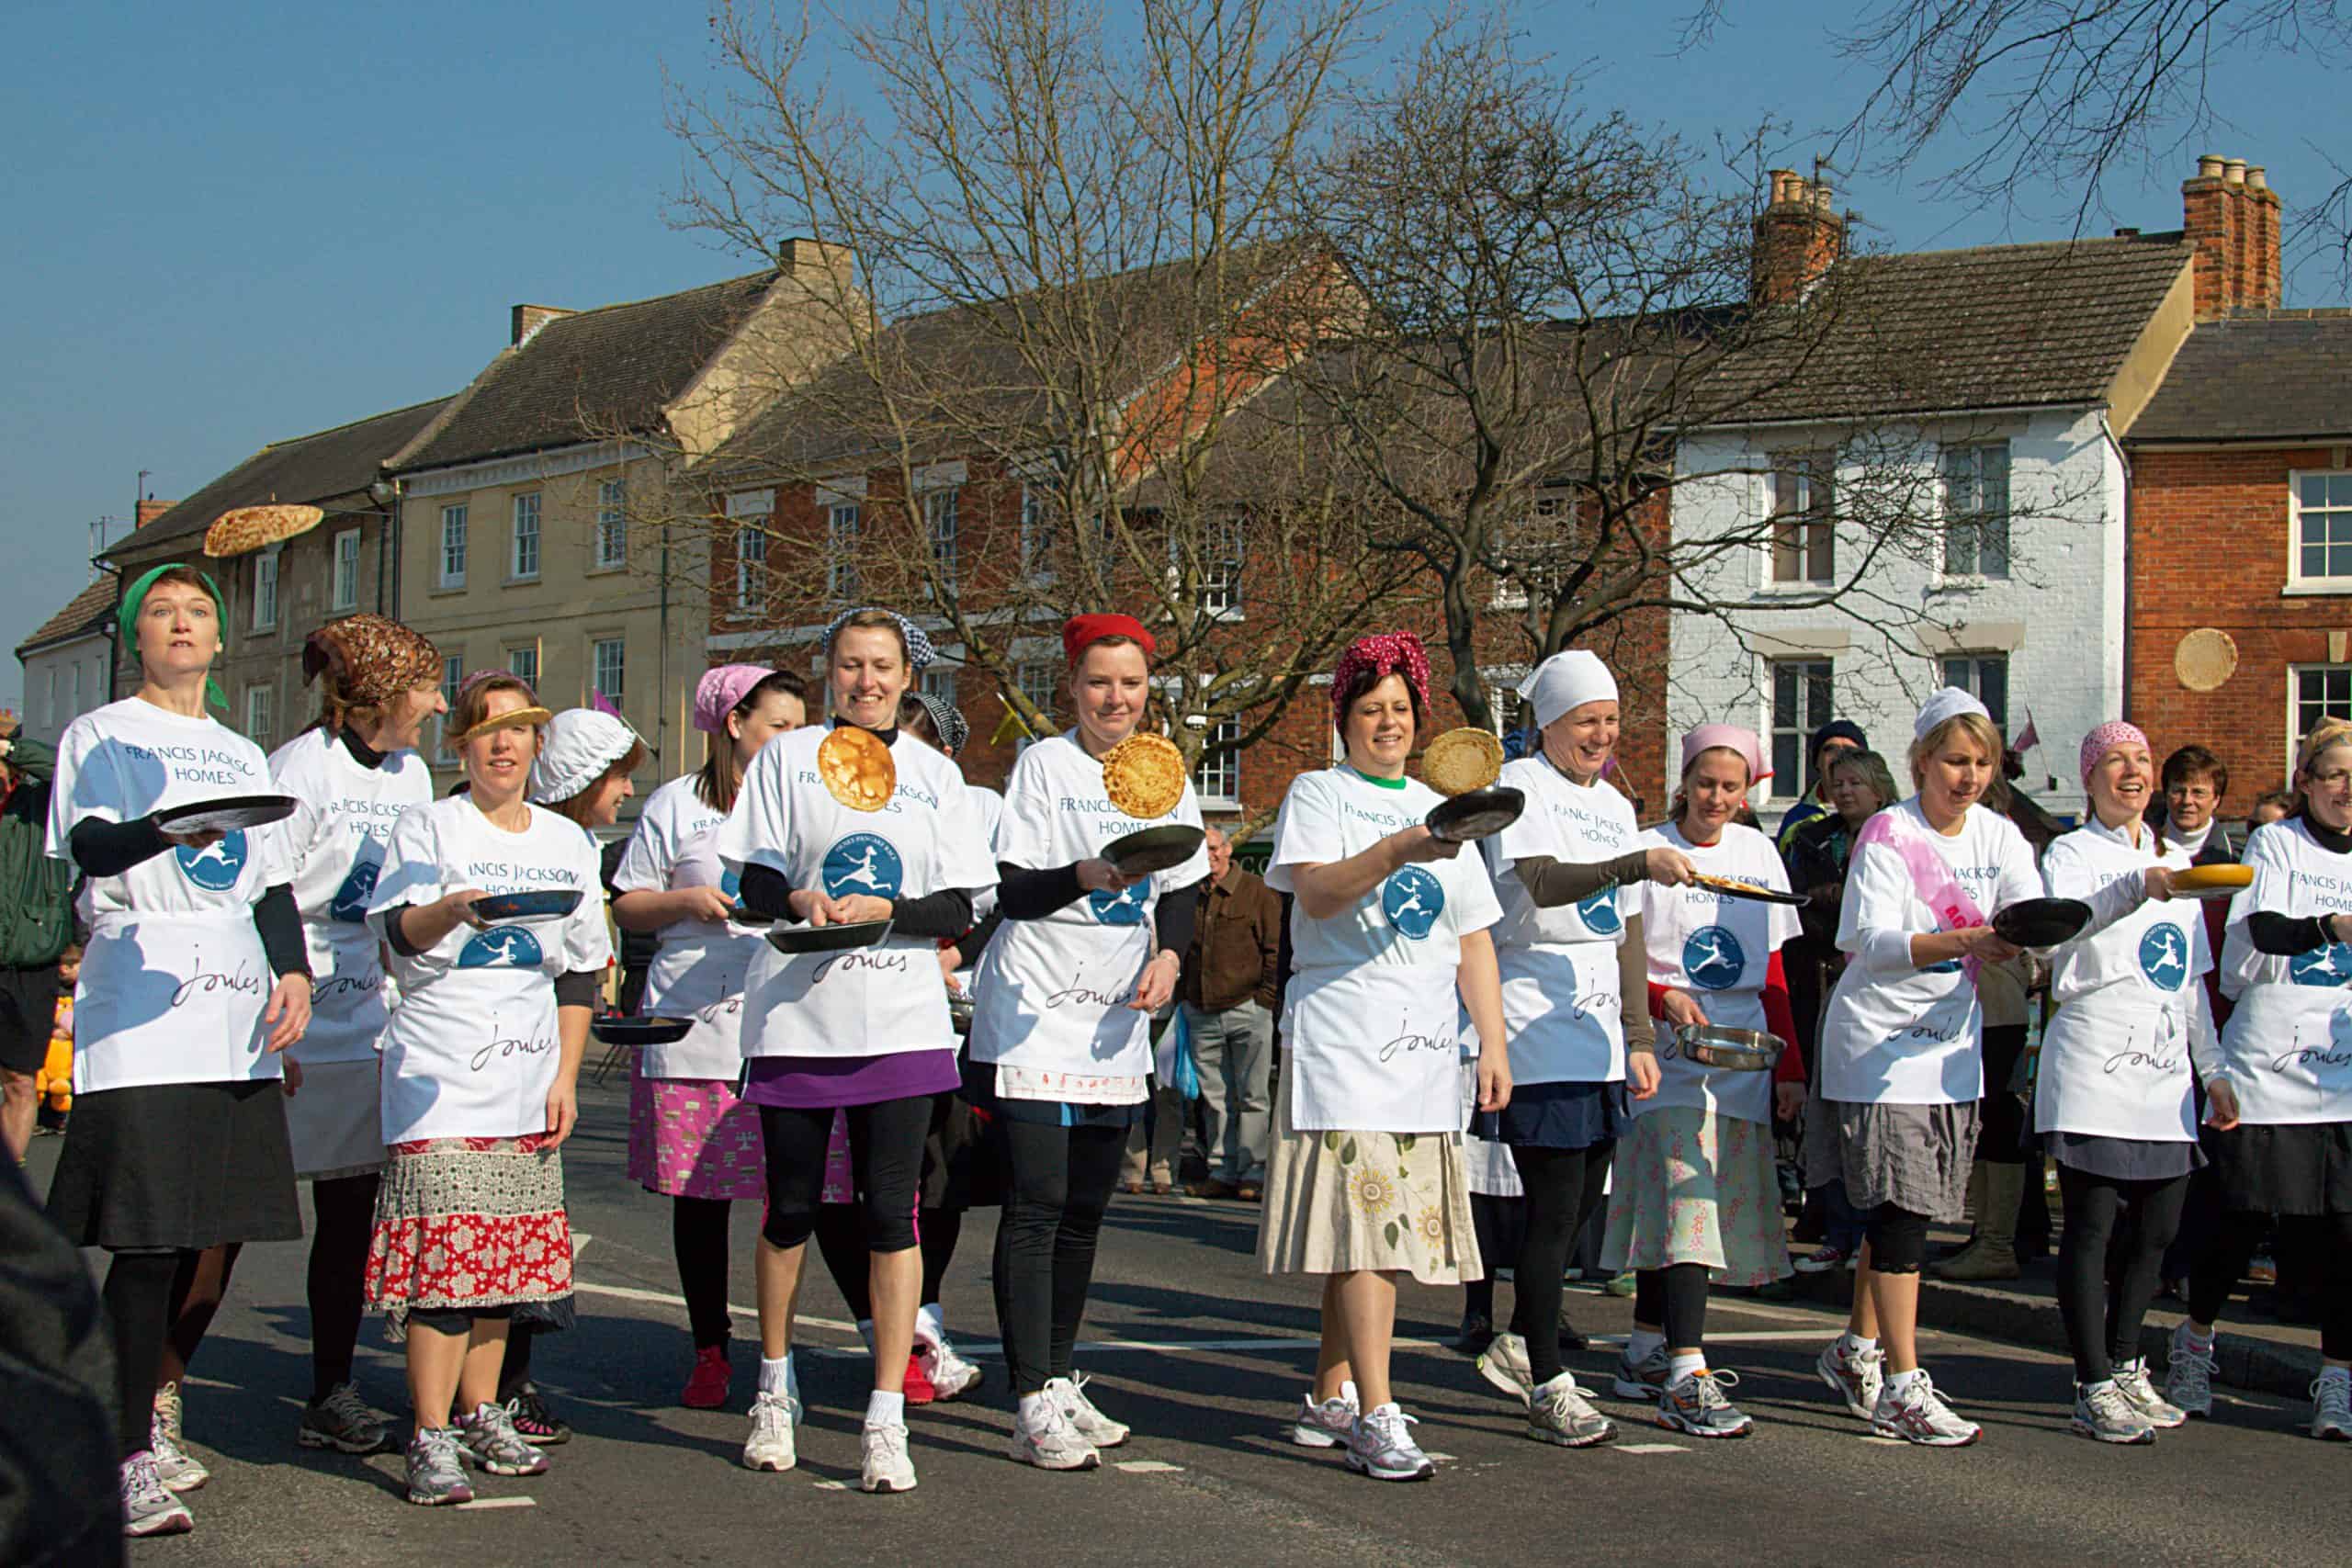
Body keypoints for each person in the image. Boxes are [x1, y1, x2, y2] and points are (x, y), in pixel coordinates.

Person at [43, 563, 313, 1536]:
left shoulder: (241, 747)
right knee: (150, 1244)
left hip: (236, 1013)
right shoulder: (101, 735)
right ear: (135, 637)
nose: (182, 624)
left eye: (198, 610)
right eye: (161, 611)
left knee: (211, 1231)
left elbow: (270, 884)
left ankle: (150, 1416)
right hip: (145, 1009)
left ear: (219, 634)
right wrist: (168, 825)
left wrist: (294, 973)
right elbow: (94, 850)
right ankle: (110, 1456)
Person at [718, 608, 992, 1494]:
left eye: (882, 666)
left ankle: (885, 1413)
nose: (866, 681)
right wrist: (802, 901)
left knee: (890, 1215)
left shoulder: (936, 776)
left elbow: (959, 906)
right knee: (790, 1207)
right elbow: (752, 882)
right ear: (828, 671)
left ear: (907, 675)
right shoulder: (788, 761)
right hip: (800, 1016)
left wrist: (889, 917)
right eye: (850, 665)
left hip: (902, 1021)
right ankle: (774, 1382)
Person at [1260, 632, 1511, 1483]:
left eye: (1401, 709)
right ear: (1345, 719)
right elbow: (1319, 893)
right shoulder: (1318, 791)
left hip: (1426, 1052)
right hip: (1345, 1041)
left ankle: (1331, 1393)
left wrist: (1494, 1041)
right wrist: (1401, 847)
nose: (1388, 724)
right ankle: (1376, 1410)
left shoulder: (1450, 813)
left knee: (1369, 1237)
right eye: (1371, 710)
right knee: (1370, 1230)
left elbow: (1473, 937)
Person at [968, 613, 1208, 1471]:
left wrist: (1171, 955)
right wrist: (1085, 873)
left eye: (1132, 683)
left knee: (1085, 1211)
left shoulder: (1164, 773)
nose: (1117, 697)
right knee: (1035, 1202)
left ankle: (1063, 1372)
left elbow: (1181, 885)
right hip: (1036, 1009)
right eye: (1100, 681)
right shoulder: (1045, 766)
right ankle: (1029, 1395)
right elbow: (1014, 891)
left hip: (1115, 1021)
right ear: (1072, 686)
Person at [364, 672, 611, 1506]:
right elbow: (396, 934)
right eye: (484, 730)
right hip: (440, 1074)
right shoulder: (428, 826)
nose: (502, 744)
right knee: (445, 1266)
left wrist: (566, 1077)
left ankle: (482, 1410)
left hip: (527, 1074)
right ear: (460, 745)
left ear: (540, 745)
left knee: (503, 1263)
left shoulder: (568, 843)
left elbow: (581, 969)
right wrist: (453, 910)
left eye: (518, 729)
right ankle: (428, 1432)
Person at [1809, 687, 2038, 1447]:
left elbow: (2031, 913)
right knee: (1904, 1214)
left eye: (1981, 762)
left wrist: (2024, 936)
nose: (1968, 776)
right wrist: (1967, 940)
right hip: (1878, 1050)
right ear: (1921, 761)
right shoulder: (1887, 832)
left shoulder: (2002, 836)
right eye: (1954, 760)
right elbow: (1867, 942)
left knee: (1897, 1211)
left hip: (1949, 1050)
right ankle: (1904, 1386)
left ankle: (1855, 1349)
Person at [1470, 649, 1675, 1449]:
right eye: (1586, 719)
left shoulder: (1618, 805)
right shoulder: (1523, 788)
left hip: (1597, 1037)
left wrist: (1639, 1033)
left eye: (1611, 719)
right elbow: (1545, 882)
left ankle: (1521, 1338)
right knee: (1554, 1207)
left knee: (1587, 1198)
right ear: (1547, 722)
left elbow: (1626, 928)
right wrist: (1640, 860)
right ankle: (1548, 1378)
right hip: (1535, 1023)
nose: (1601, 734)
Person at [265, 613, 445, 1459]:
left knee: (350, 1218)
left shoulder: (408, 774)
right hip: (296, 1018)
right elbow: (261, 895)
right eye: (427, 688)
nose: (439, 705)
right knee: (239, 1216)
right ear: (379, 694)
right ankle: (158, 1390)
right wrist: (271, 1021)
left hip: (370, 1016)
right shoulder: (303, 769)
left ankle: (329, 1387)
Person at [611, 665, 805, 1412]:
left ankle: (777, 1356)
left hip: (783, 1024)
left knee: (786, 1197)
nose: (792, 739)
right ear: (735, 724)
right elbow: (627, 902)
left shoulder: (801, 804)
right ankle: (710, 1347)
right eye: (778, 725)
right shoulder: (675, 806)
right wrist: (684, 900)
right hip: (693, 1022)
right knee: (701, 1199)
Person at [1605, 725, 1804, 1438]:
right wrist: (1662, 1002)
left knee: (1688, 1201)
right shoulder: (1649, 848)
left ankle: (1644, 1347)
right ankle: (1688, 1370)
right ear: (1684, 781)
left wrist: (1792, 1068)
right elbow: (1620, 955)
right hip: (1665, 1053)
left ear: (1748, 792)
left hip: (1741, 1054)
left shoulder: (1759, 855)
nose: (1717, 797)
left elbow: (1776, 968)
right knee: (1687, 1200)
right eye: (1706, 783)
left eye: (1732, 786)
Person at [2165, 719, 2352, 1440]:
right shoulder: (2279, 843)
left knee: (2345, 1234)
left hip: (2341, 1077)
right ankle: (2194, 1343)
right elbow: (2265, 929)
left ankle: (2336, 1380)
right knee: (2237, 1218)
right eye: (2332, 774)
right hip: (2270, 1066)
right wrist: (2333, 926)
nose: (2345, 788)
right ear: (2306, 781)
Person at [2032, 721, 2217, 1443]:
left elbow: (2192, 981)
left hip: (2165, 1075)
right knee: (2093, 1225)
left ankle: (2130, 1359)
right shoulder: (2070, 853)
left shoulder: (2176, 860)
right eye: (2115, 760)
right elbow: (2058, 934)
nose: (2132, 771)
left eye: (2140, 758)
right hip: (2094, 1064)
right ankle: (2092, 1378)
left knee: (2158, 1231)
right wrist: (2137, 888)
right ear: (2090, 777)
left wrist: (2217, 1071)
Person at [806, 687, 990, 1407]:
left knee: (932, 1185)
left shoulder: (964, 806)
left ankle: (924, 1323)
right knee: (843, 1192)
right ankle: (881, 1325)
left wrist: (954, 953)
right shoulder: (832, 803)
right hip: (836, 1021)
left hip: (935, 1028)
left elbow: (987, 903)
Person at [481, 704, 644, 1446]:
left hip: (543, 1053)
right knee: (479, 1222)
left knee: (523, 1225)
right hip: (487, 1045)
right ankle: (484, 1387)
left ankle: (508, 1381)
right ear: (583, 779)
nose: (624, 794)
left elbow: (583, 963)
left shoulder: (574, 843)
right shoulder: (528, 836)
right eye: (616, 778)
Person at [1785, 749, 1899, 1270]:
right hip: (1822, 978)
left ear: (1880, 786)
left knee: (1875, 1117)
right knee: (1827, 1112)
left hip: (1885, 988)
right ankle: (1836, 1229)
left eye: (1857, 781)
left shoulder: (1903, 836)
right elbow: (1796, 907)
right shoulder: (1812, 839)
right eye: (1838, 782)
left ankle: (1876, 1238)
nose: (1846, 791)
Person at [1181, 827, 1283, 1201]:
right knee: (1215, 1099)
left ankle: (1253, 1173)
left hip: (1248, 1007)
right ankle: (1221, 1171)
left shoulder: (1257, 891)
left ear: (1227, 849)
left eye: (1214, 848)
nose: (1209, 856)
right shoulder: (1189, 892)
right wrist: (1184, 999)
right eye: (1202, 850)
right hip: (1201, 1010)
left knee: (1254, 1095)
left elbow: (1275, 948)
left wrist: (1265, 999)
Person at [0, 717, 75, 1162]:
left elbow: (63, 768)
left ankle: (7, 1191)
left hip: (32, 960)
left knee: (22, 1080)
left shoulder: (38, 803)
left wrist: (9, 746)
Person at [1773, 718, 1868, 856]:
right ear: (1817, 760)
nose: (1840, 754)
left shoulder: (1878, 814)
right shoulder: (1797, 818)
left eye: (1849, 750)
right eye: (1831, 748)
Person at [37, 944, 80, 1134]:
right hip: (49, 1049)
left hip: (70, 1052)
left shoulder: (84, 991)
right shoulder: (49, 988)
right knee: (42, 1086)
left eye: (71, 965)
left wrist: (70, 1032)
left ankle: (61, 1118)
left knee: (66, 1088)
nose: (64, 969)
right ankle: (42, 1119)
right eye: (62, 965)